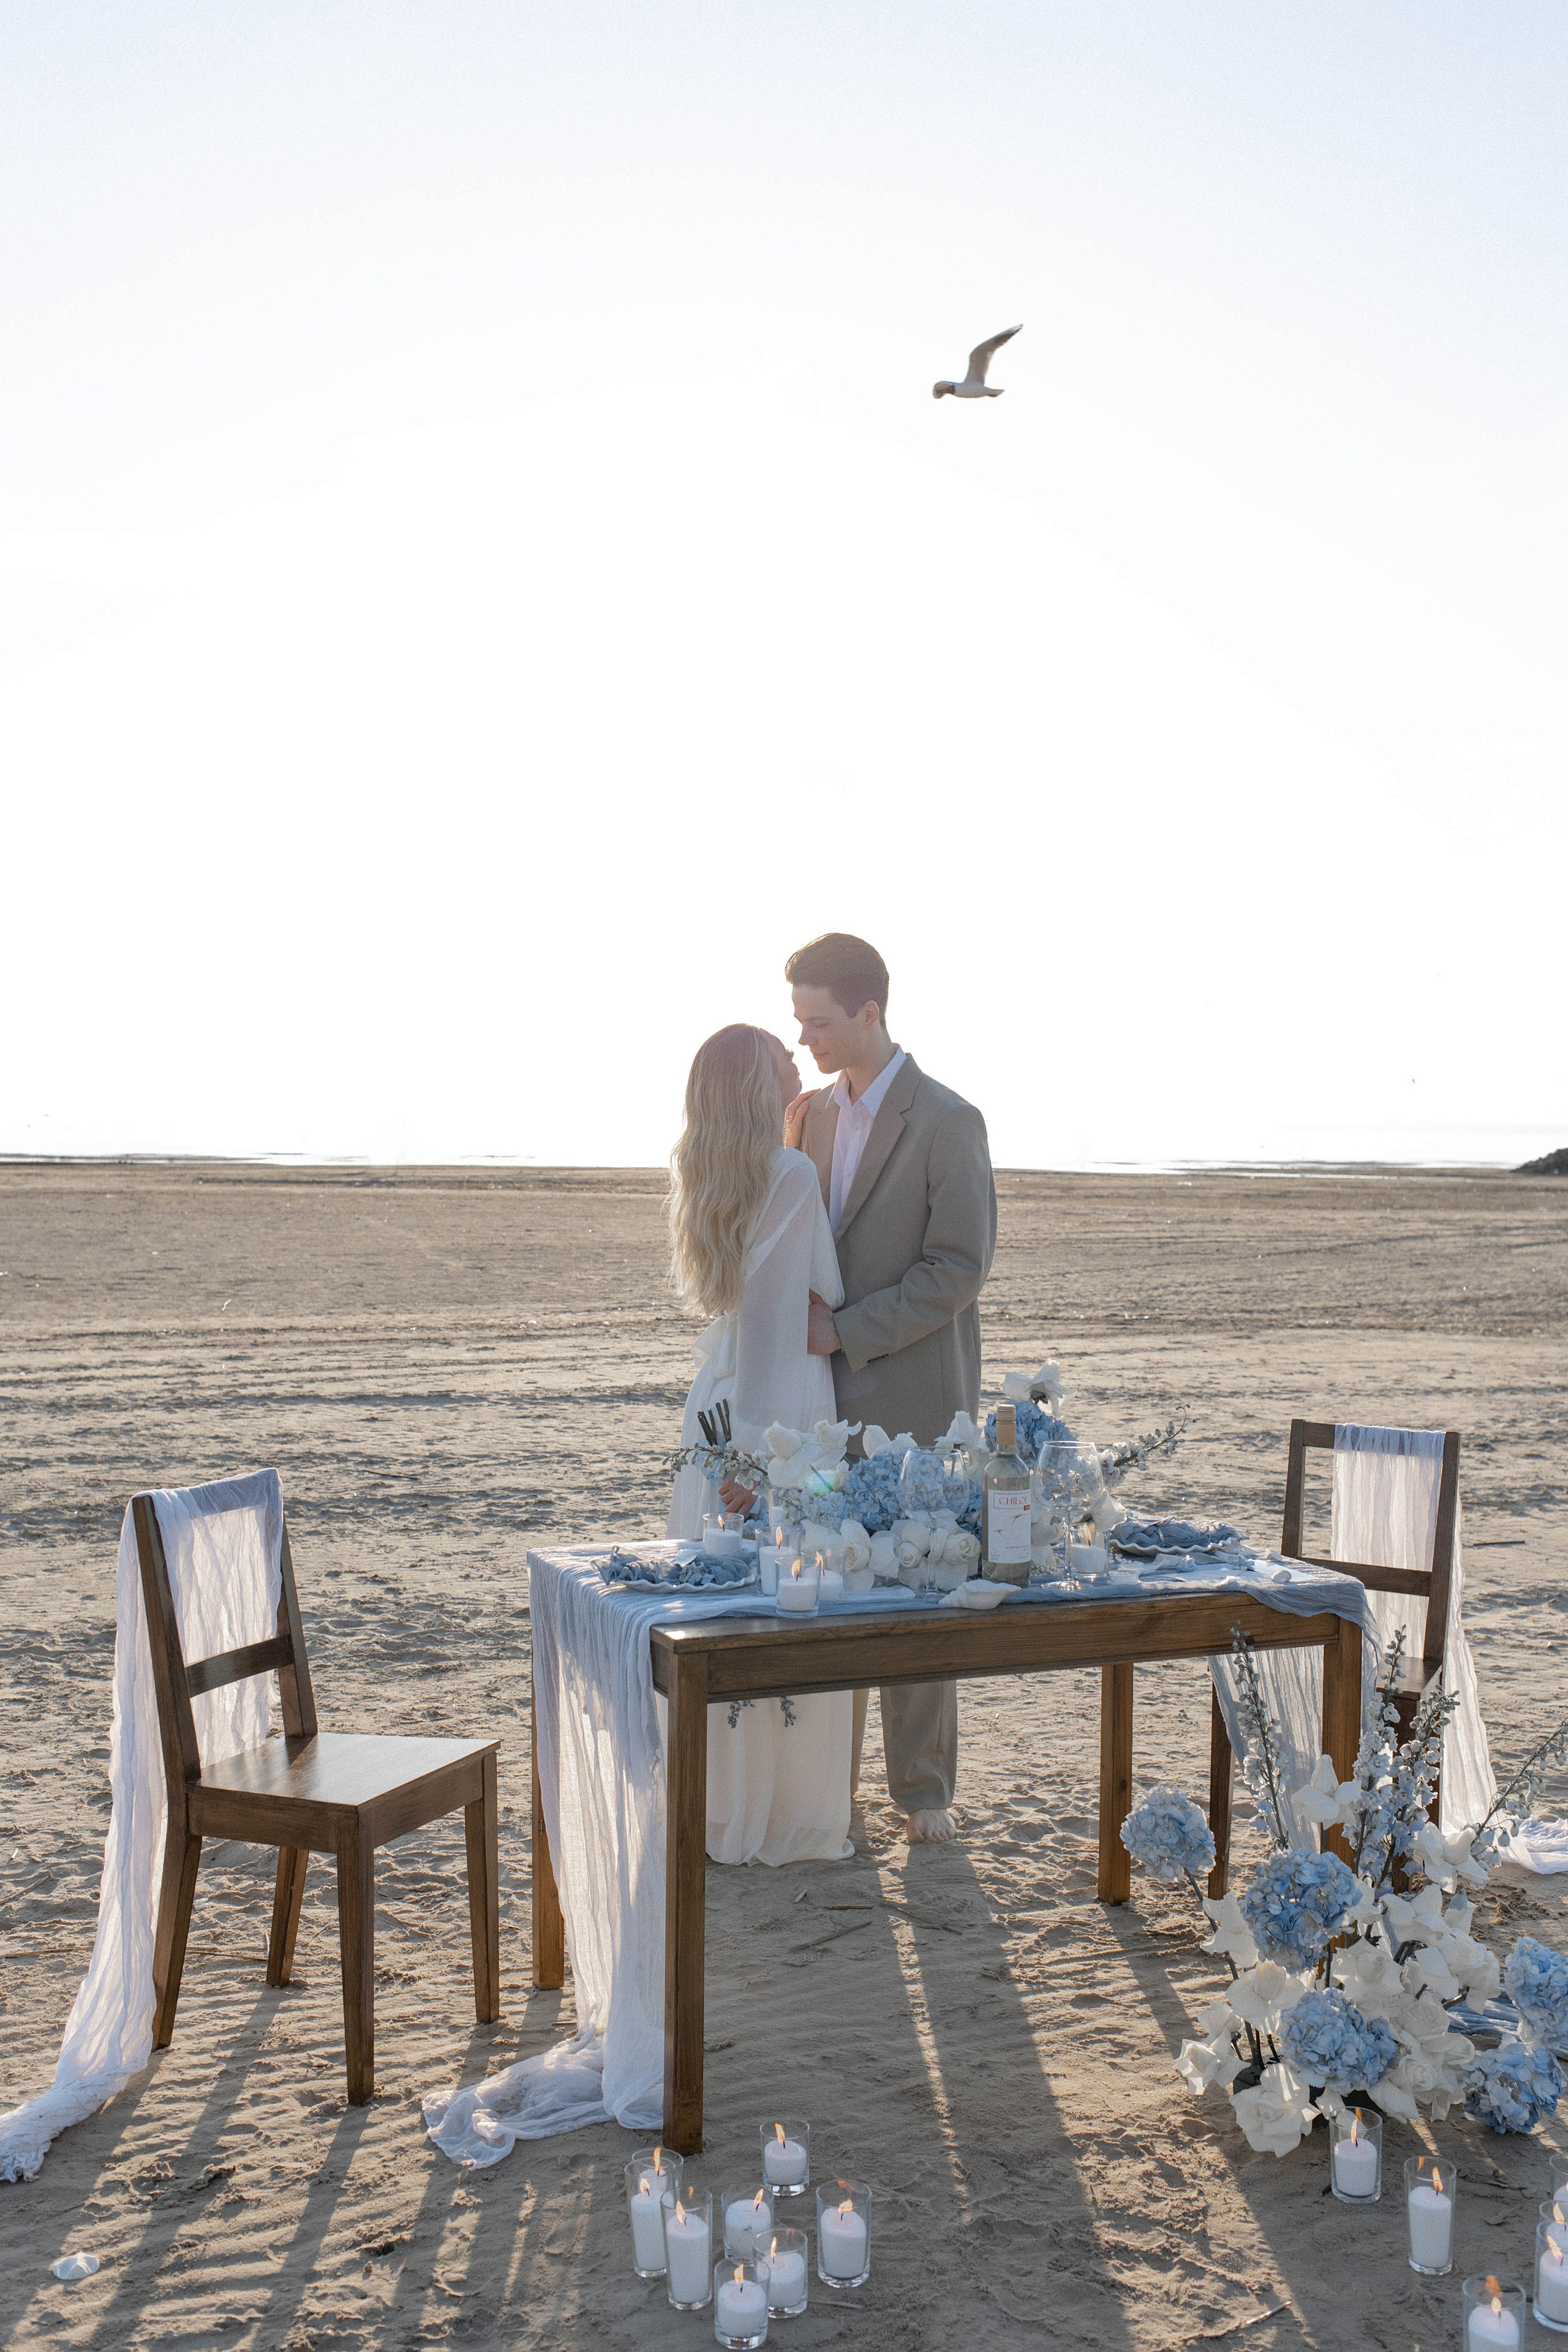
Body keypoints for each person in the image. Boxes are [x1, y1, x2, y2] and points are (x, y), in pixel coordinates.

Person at [783, 933, 997, 1844]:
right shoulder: (809, 1115)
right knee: (830, 1579)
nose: (805, 1039)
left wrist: (849, 1329)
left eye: (818, 1021)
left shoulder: (950, 1121)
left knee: (920, 1585)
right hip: (817, 1401)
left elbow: (959, 1267)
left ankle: (924, 1793)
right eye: (797, 1021)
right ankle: (828, 1784)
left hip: (914, 1391)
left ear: (869, 1012)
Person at [666, 1023, 854, 1866]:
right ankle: (780, 1815)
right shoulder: (791, 1174)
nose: (796, 1056)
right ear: (757, 1081)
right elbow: (799, 1312)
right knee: (789, 1600)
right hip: (773, 1413)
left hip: (717, 1406)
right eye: (781, 1052)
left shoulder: (720, 1172)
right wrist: (762, 1459)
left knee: (725, 1610)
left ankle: (724, 1805)